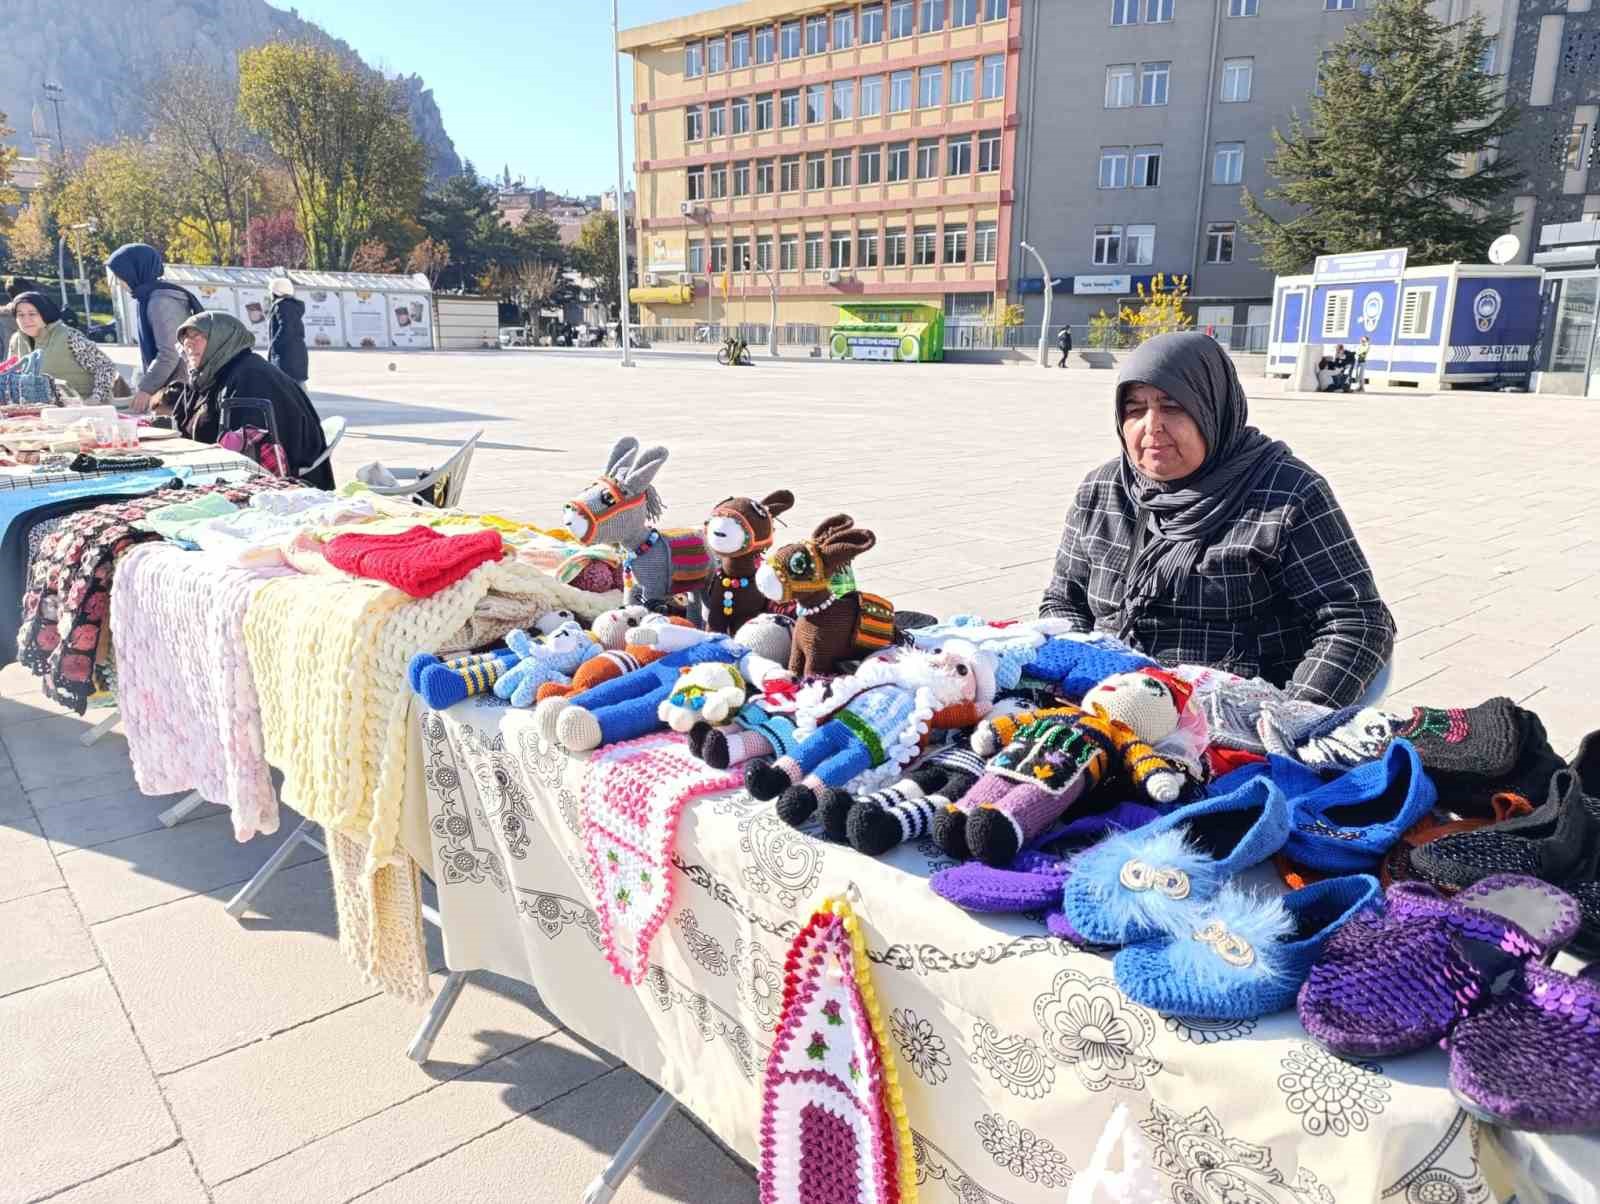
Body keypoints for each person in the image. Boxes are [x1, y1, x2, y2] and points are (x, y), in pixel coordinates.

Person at [1039, 331, 1393, 707]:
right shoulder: (1103, 490)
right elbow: (1063, 601)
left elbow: (1357, 623)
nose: (1151, 425)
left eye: (1172, 406)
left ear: (1212, 407)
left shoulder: (1288, 494)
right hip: (1108, 701)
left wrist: (1289, 720)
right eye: (1135, 409)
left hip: (1234, 718)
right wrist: (1078, 676)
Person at [168, 311, 334, 490]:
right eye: (185, 337)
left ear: (222, 338)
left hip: (283, 486)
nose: (188, 343)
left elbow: (244, 454)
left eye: (198, 335)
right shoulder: (209, 374)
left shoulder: (251, 377)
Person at [106, 243, 202, 414]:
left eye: (120, 276)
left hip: (176, 393)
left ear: (135, 270)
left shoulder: (160, 301)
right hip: (171, 389)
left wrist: (145, 389)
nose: (119, 283)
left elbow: (170, 352)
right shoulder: (148, 297)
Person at [5, 291, 121, 403]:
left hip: (82, 408)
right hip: (39, 411)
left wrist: (95, 399)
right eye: (20, 315)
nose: (26, 320)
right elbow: (11, 376)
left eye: (32, 314)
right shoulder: (16, 340)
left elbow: (105, 367)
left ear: (45, 314)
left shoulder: (69, 336)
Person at [267, 277, 308, 384]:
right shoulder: (292, 306)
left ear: (276, 292)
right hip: (296, 357)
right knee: (297, 390)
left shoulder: (282, 305)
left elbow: (286, 328)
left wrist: (274, 346)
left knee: (286, 391)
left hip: (285, 359)